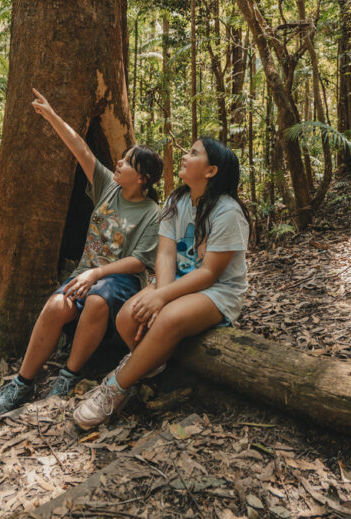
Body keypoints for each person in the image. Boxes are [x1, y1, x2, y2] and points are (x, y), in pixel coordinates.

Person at [0, 89, 163, 418]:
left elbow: (141, 260)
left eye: (127, 162)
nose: (118, 163)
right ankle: (21, 383)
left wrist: (96, 274)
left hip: (120, 282)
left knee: (96, 300)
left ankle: (67, 377)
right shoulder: (109, 186)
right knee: (56, 305)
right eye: (120, 160)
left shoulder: (154, 212)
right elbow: (80, 148)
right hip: (84, 274)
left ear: (143, 178)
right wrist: (52, 115)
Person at [73, 136, 251, 430]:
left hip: (217, 291)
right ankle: (151, 366)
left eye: (193, 153)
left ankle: (115, 387)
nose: (184, 156)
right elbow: (166, 254)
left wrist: (163, 299)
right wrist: (162, 293)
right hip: (176, 281)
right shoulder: (176, 201)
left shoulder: (228, 212)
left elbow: (209, 274)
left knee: (165, 319)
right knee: (128, 317)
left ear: (211, 171)